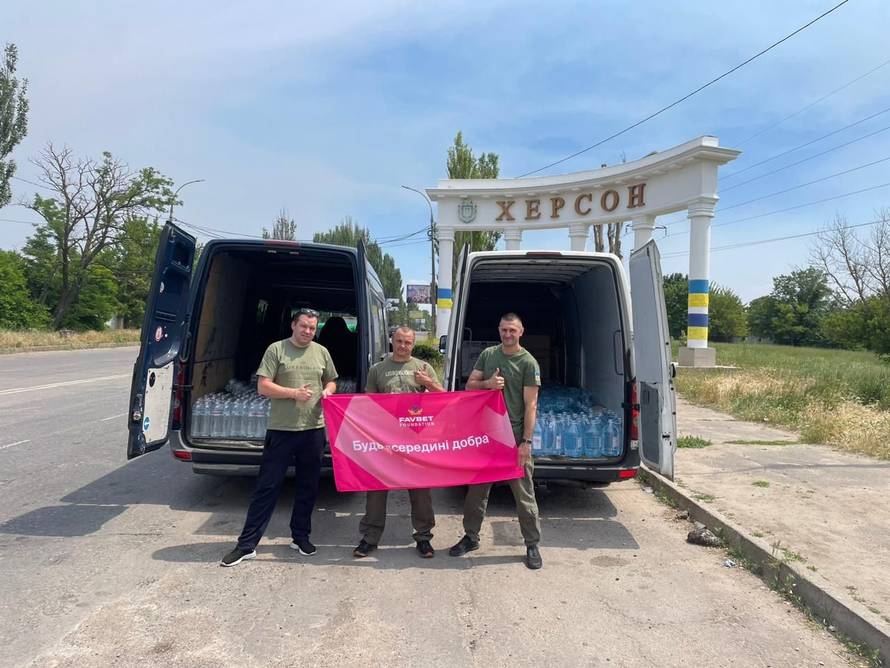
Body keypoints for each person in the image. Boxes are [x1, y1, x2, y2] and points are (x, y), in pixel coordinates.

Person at [221, 308, 338, 567]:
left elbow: (331, 380)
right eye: (304, 326)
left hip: (313, 429)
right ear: (293, 325)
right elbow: (263, 386)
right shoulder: (276, 350)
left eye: (312, 327)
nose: (308, 331)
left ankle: (300, 537)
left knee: (308, 487)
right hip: (282, 430)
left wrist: (328, 391)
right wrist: (292, 393)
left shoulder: (321, 352)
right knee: (267, 487)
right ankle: (247, 545)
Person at [449, 312, 543, 570]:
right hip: (487, 436)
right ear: (499, 330)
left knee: (523, 494)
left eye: (512, 330)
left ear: (521, 331)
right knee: (476, 492)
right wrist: (488, 383)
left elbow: (531, 405)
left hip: (513, 439)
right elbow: (470, 386)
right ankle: (471, 537)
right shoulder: (489, 355)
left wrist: (525, 442)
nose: (508, 334)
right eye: (504, 330)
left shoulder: (528, 363)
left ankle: (532, 544)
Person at [353, 325, 444, 559]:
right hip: (384, 441)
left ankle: (424, 538)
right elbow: (368, 404)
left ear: (413, 344)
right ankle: (370, 538)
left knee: (421, 491)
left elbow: (442, 397)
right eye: (399, 341)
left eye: (408, 342)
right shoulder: (377, 369)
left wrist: (428, 382)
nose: (403, 346)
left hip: (415, 441)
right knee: (376, 488)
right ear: (392, 340)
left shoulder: (423, 368)